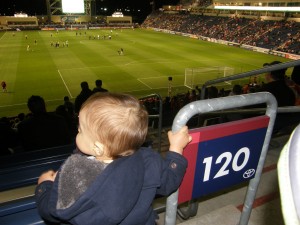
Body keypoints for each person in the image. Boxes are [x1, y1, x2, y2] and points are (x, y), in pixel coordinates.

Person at [35, 92, 192, 225]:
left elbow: (52, 211)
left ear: (98, 148)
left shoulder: (76, 174)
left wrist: (45, 186)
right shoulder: (150, 159)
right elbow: (169, 181)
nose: (77, 131)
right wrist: (176, 148)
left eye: (80, 130)